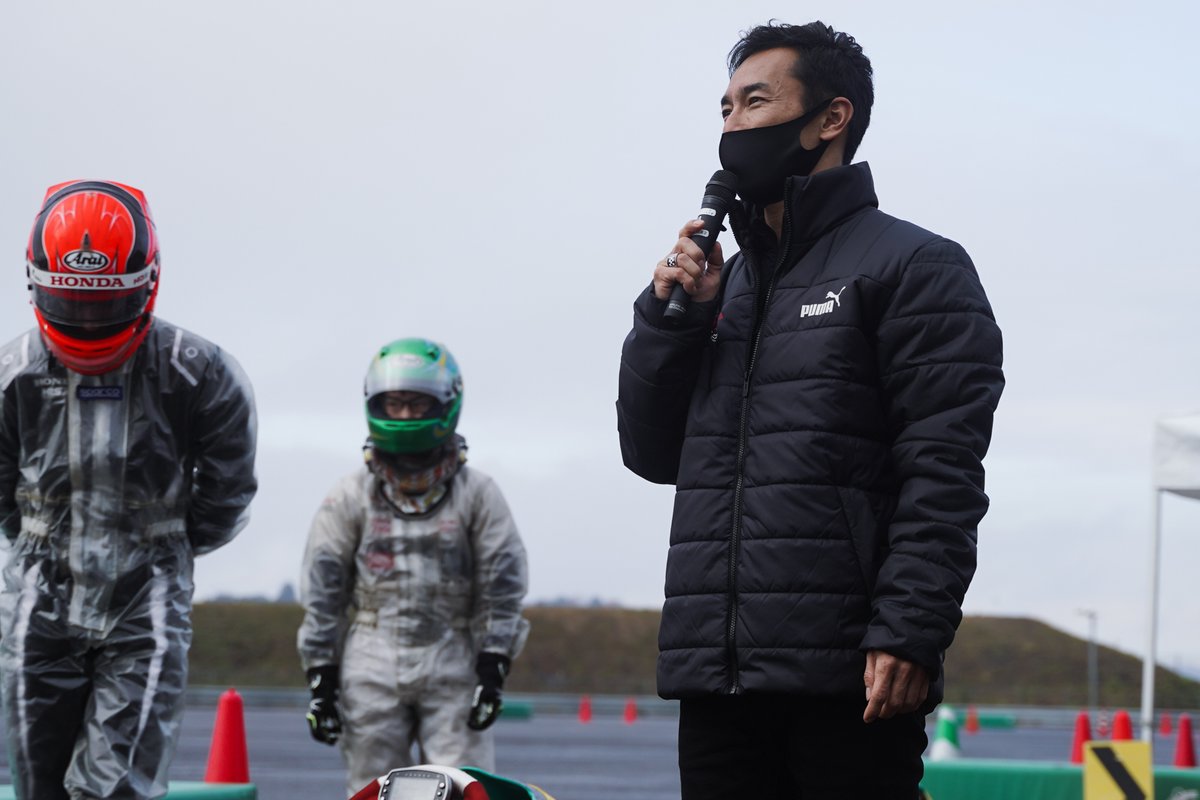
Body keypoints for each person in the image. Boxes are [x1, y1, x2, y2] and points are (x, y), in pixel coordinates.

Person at [616, 21, 1005, 799]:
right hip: (716, 677)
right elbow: (654, 455)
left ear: (831, 119)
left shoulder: (914, 265)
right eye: (723, 108)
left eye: (755, 102)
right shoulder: (721, 287)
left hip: (847, 678)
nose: (732, 126)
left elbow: (943, 472)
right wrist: (672, 320)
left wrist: (909, 631)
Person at [0, 180, 258, 799]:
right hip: (37, 603)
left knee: (117, 790)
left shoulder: (201, 373)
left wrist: (161, 550)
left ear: (147, 282)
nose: (89, 320)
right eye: (74, 304)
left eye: (103, 305)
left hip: (146, 606)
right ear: (37, 284)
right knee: (37, 789)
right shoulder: (13, 377)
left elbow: (227, 495)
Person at [297, 337, 529, 795]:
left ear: (445, 405)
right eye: (395, 404)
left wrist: (493, 667)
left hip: (454, 656)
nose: (405, 416)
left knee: (462, 786)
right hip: (371, 657)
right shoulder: (349, 495)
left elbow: (503, 585)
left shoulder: (478, 493)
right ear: (374, 404)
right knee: (371, 786)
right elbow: (323, 591)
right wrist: (321, 680)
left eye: (417, 404)